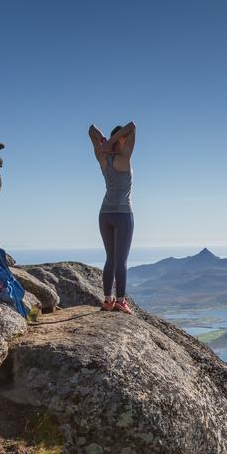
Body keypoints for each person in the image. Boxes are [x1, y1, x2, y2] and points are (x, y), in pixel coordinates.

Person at [89, 121, 136, 313]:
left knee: (110, 258)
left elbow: (91, 129)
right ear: (122, 140)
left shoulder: (102, 156)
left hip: (104, 214)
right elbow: (132, 126)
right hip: (123, 214)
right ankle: (121, 301)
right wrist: (113, 141)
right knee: (121, 260)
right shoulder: (124, 157)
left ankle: (108, 300)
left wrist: (103, 142)